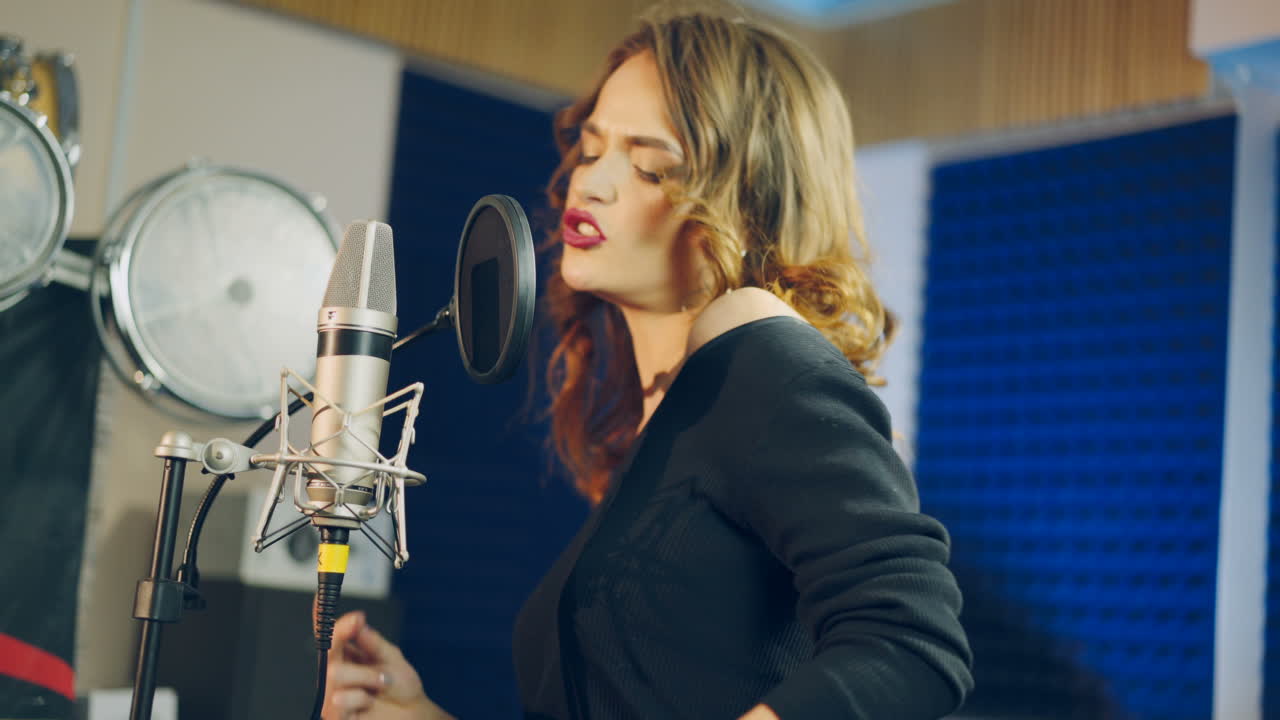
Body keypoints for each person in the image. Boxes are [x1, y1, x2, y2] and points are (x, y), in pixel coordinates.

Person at [323, 5, 973, 719]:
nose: (590, 184)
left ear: (744, 201)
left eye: (650, 166)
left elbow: (910, 643)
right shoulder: (672, 411)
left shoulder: (756, 347)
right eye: (593, 148)